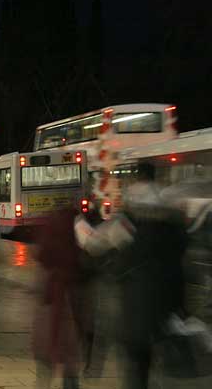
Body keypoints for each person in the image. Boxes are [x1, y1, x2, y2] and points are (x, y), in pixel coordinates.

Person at [77, 163, 187, 389]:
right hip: (167, 303)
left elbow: (95, 243)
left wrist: (80, 224)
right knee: (157, 358)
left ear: (138, 177)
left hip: (135, 303)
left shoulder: (130, 220)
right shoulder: (172, 215)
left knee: (136, 365)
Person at [32, 207, 82, 389]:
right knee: (69, 377)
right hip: (64, 340)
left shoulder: (45, 259)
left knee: (44, 377)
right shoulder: (72, 263)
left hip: (44, 339)